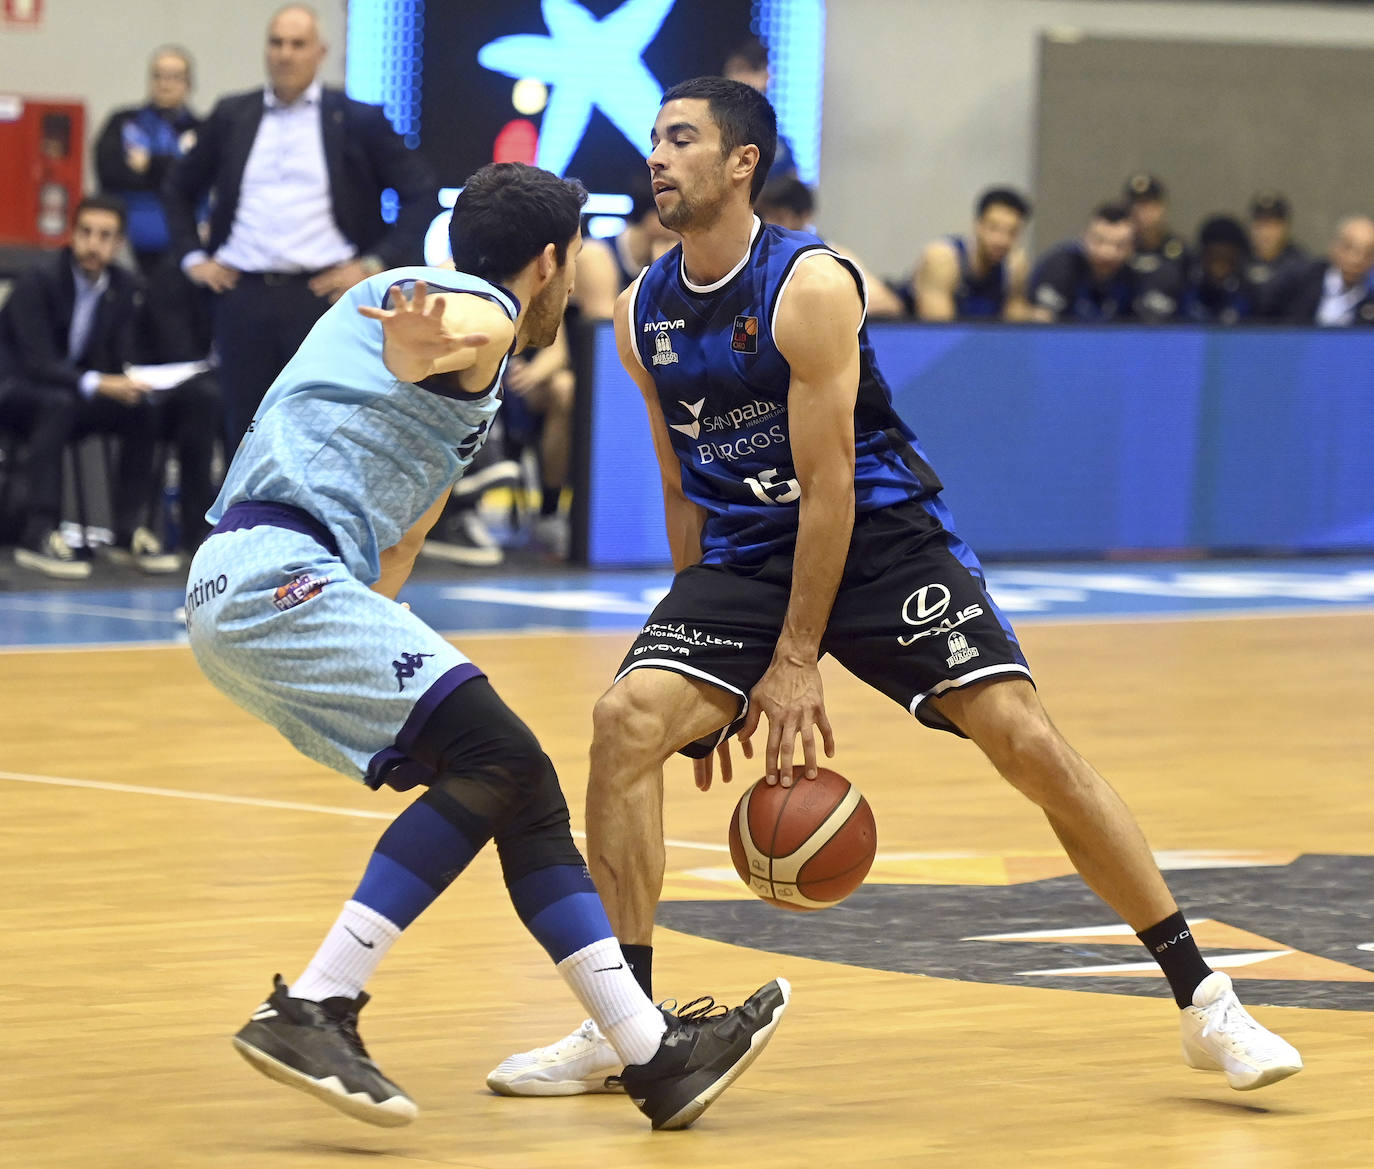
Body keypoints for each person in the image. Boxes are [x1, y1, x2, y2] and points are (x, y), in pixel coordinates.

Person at [487, 77, 1302, 1098]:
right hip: (743, 553)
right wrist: (706, 663)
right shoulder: (641, 306)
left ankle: (1205, 997)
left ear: (742, 163)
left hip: (877, 538)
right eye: (655, 138)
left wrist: (790, 663)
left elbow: (829, 488)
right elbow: (676, 479)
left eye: (682, 138)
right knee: (625, 722)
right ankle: (627, 1022)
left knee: (1027, 738)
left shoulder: (810, 284)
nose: (658, 155)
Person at [183, 161, 789, 1133]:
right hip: (275, 575)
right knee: (502, 757)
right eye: (578, 257)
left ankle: (651, 1053)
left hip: (258, 587)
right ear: (548, 262)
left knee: (517, 779)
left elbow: (404, 540)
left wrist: (362, 664)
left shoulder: (433, 343)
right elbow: (462, 326)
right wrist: (436, 336)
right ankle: (315, 1002)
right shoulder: (479, 314)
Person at [162, 3, 438, 451]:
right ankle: (246, 522)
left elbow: (421, 191)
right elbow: (177, 187)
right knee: (245, 434)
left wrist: (374, 262)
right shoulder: (234, 114)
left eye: (297, 44)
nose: (285, 54)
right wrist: (194, 258)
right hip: (242, 295)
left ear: (320, 52)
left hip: (323, 299)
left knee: (323, 434)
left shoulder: (355, 119)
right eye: (276, 43)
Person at [0, 195, 183, 579]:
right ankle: (40, 532)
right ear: (72, 235)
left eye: (104, 236)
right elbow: (37, 362)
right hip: (17, 390)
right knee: (58, 403)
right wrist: (101, 382)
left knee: (141, 408)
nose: (92, 243)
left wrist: (131, 380)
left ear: (118, 244)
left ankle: (126, 530)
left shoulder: (123, 286)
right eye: (85, 232)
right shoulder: (39, 279)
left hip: (70, 393)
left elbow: (118, 355)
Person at [93, 45, 201, 277]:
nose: (164, 83)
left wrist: (151, 164)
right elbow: (109, 171)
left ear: (189, 84)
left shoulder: (203, 129)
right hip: (123, 247)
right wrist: (171, 171)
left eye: (174, 77)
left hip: (182, 250)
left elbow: (198, 179)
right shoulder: (122, 121)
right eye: (158, 76)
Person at [756, 177, 906, 319]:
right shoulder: (755, 256)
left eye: (780, 218)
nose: (770, 225)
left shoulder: (832, 255)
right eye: (766, 217)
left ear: (805, 217)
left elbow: (890, 305)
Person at [913, 187, 1033, 321]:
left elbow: (1016, 331)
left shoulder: (1015, 267)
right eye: (994, 228)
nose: (1001, 241)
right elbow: (940, 333)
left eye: (1012, 232)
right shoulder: (942, 258)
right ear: (978, 225)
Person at [1027, 203, 1139, 323]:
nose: (1107, 253)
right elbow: (1041, 322)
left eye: (1120, 245)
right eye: (1099, 241)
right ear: (1084, 238)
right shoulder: (1060, 267)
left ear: (1132, 248)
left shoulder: (1133, 279)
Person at [1266, 215, 1374, 327]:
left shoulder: (1370, 296)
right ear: (1334, 247)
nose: (1356, 259)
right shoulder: (1298, 280)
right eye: (1348, 247)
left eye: (1368, 253)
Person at [1122, 173, 1188, 322]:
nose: (1141, 211)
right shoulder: (1120, 251)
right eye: (1135, 204)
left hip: (1170, 331)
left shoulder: (1181, 252)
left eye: (1148, 203)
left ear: (1162, 207)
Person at [1179, 215, 1259, 325]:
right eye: (1214, 254)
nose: (1220, 261)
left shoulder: (1250, 295)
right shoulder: (1186, 290)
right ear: (1203, 255)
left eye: (1227, 256)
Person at [1245, 192, 1307, 316]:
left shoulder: (1300, 265)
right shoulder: (1240, 260)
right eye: (1260, 224)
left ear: (1285, 227)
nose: (1265, 232)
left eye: (1273, 225)